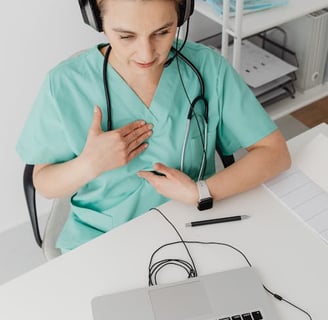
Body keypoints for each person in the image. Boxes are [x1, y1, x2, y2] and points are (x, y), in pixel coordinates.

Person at [17, 0, 291, 253]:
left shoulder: (208, 68)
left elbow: (275, 152)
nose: (146, 53)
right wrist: (89, 164)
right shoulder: (65, 85)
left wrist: (202, 191)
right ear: (95, 20)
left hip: (193, 229)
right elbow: (43, 183)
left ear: (182, 13)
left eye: (162, 32)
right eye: (126, 36)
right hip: (102, 241)